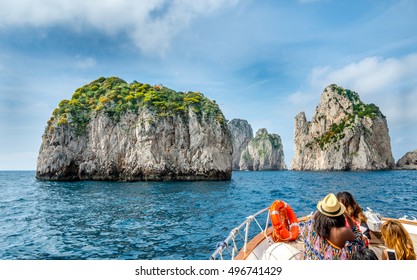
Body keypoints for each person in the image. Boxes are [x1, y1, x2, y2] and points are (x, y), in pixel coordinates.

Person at [300, 193, 366, 260]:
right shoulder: (342, 232)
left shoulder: (311, 224)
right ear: (340, 214)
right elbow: (360, 242)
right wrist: (348, 217)